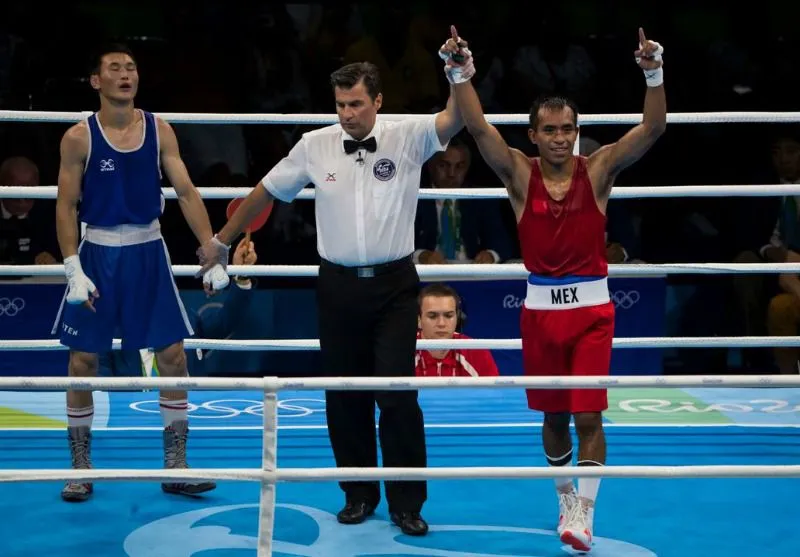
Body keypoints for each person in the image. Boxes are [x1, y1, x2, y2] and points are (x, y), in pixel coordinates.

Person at [198, 57, 464, 536]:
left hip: (395, 287)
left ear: (377, 101)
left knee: (397, 395)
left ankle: (407, 502)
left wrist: (458, 74)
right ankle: (358, 494)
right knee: (344, 395)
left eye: (356, 104)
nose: (347, 114)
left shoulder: (408, 135)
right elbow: (265, 192)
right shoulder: (315, 145)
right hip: (338, 286)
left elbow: (456, 117)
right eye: (341, 104)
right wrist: (221, 240)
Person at [443, 26, 667, 551]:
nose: (561, 137)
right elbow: (477, 128)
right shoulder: (520, 175)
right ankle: (565, 497)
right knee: (553, 416)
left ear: (577, 131)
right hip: (540, 313)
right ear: (534, 135)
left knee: (589, 414)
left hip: (592, 312)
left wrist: (653, 72)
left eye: (568, 128)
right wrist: (460, 71)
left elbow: (653, 128)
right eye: (550, 129)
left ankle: (584, 512)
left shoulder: (600, 168)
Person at [52, 43, 229, 502]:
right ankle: (80, 467)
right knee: (82, 360)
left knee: (173, 355)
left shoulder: (159, 129)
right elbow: (66, 205)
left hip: (148, 250)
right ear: (96, 81)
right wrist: (72, 269)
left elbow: (186, 192)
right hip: (97, 251)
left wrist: (211, 249)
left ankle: (177, 464)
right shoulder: (78, 137)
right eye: (114, 68)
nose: (125, 74)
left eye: (131, 67)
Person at [415, 283, 499, 377]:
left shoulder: (476, 352)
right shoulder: (404, 352)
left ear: (458, 318)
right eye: (432, 316)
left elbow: (493, 386)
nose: (441, 323)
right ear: (418, 320)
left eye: (448, 316)